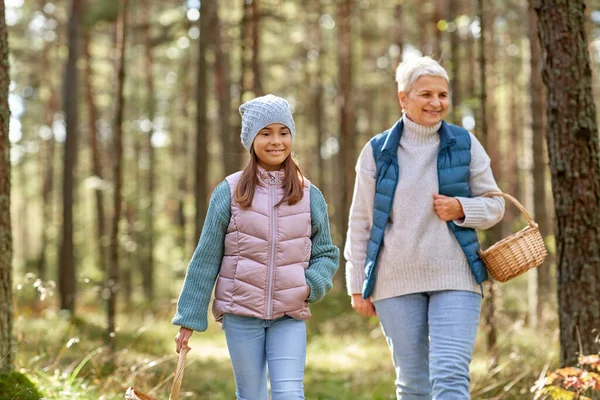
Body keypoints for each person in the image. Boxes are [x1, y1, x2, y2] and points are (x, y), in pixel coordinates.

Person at [344, 56, 505, 399]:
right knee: (413, 384)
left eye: (443, 95)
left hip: (456, 277)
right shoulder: (376, 151)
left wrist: (462, 207)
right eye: (426, 94)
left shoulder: (464, 143)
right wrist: (357, 284)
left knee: (450, 376)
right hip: (395, 280)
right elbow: (361, 221)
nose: (436, 103)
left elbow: (496, 204)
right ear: (403, 98)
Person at [172, 94, 339, 400]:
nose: (276, 141)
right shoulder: (229, 192)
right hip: (241, 315)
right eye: (266, 133)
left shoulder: (308, 194)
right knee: (252, 396)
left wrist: (308, 286)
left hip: (288, 315)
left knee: (289, 393)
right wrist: (187, 319)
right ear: (251, 140)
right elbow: (206, 258)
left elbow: (326, 252)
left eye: (283, 132)